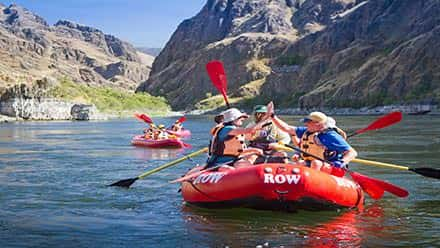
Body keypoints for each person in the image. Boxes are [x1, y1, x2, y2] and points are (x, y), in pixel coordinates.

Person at [264, 102, 357, 176]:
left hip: (331, 167)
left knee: (316, 163)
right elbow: (287, 128)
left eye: (308, 122)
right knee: (298, 164)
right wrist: (273, 117)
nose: (306, 124)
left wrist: (341, 162)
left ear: (318, 124)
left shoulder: (330, 136)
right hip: (310, 163)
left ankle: (314, 185)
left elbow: (352, 152)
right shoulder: (307, 131)